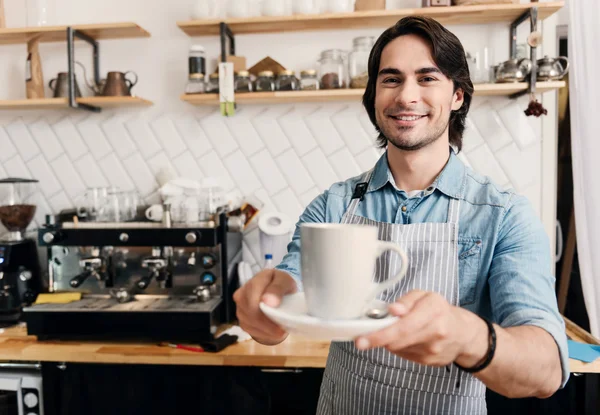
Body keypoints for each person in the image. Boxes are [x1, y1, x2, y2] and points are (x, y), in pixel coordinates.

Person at [233, 16, 569, 414]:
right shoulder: (334, 205)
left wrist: (469, 336)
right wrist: (267, 308)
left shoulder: (504, 215)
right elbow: (291, 286)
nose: (406, 96)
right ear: (373, 96)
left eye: (427, 78)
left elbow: (546, 370)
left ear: (457, 96)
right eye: (391, 79)